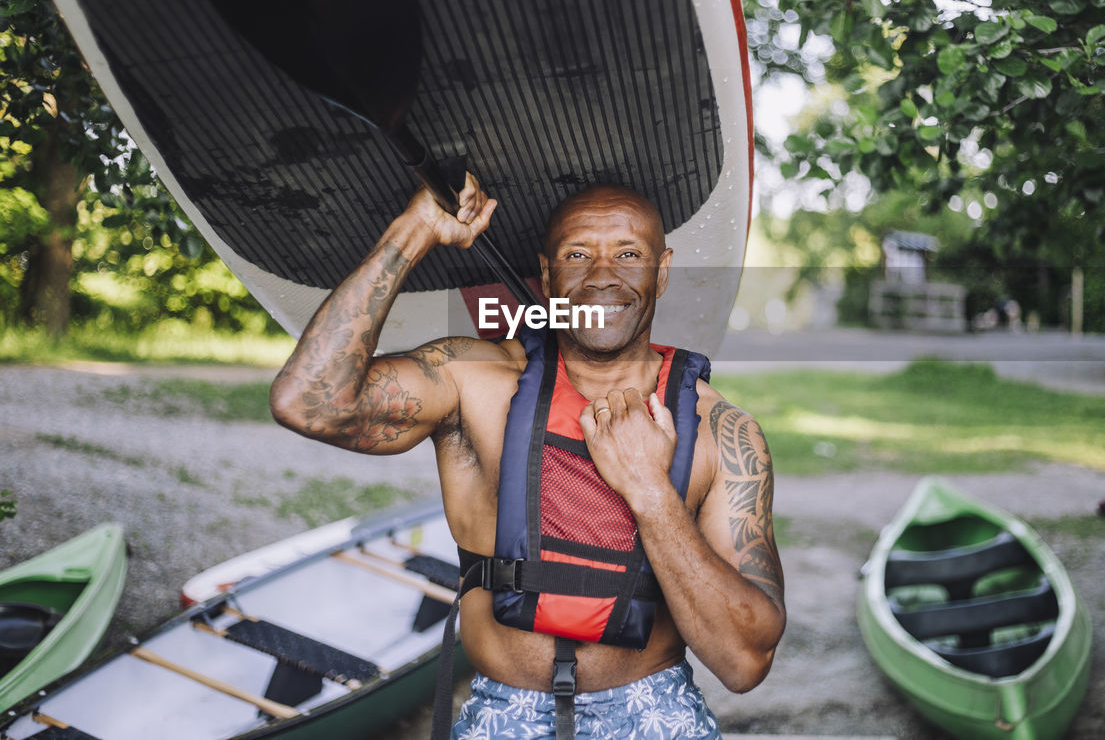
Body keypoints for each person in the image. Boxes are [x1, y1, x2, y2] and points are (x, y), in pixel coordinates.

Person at [269, 177, 786, 738]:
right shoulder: (475, 380)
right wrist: (415, 229)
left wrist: (650, 491)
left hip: (653, 710)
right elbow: (309, 404)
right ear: (546, 275)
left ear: (662, 271)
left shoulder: (721, 431)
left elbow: (744, 662)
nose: (602, 276)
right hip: (502, 708)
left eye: (629, 254)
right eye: (578, 255)